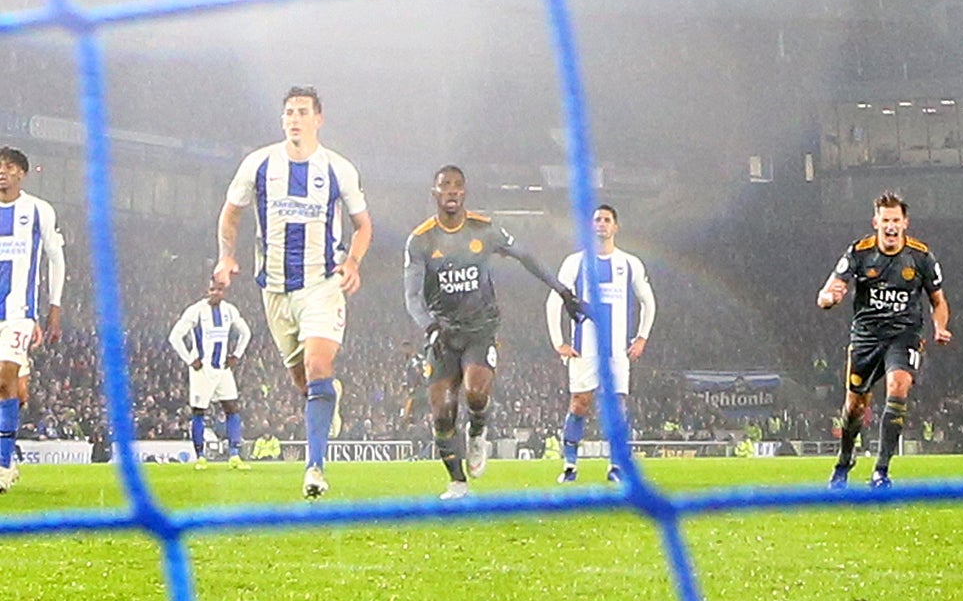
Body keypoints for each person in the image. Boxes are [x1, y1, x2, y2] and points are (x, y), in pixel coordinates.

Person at [214, 87, 372, 500]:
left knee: (320, 366)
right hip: (275, 291)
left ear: (318, 119)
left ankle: (315, 468)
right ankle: (326, 399)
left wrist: (352, 262)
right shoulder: (259, 164)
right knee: (304, 382)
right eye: (289, 112)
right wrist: (225, 257)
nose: (294, 118)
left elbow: (363, 225)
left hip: (322, 285)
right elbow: (231, 213)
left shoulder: (338, 169)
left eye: (303, 112)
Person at [405, 166, 582, 500]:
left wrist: (561, 290)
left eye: (458, 185)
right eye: (445, 186)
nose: (452, 191)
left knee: (474, 392)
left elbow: (526, 256)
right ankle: (457, 482)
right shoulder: (421, 240)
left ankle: (477, 430)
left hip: (480, 329)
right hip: (442, 333)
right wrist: (429, 327)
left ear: (465, 192)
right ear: (435, 193)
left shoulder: (484, 230)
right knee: (442, 413)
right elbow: (412, 296)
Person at [816, 191, 948, 490]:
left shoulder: (921, 257)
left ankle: (881, 471)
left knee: (898, 387)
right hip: (866, 336)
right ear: (876, 221)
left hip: (904, 335)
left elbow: (938, 301)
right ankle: (843, 463)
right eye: (885, 220)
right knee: (855, 407)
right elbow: (829, 290)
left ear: (905, 223)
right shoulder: (859, 253)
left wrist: (940, 327)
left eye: (896, 220)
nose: (890, 226)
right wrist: (828, 298)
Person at [548, 203, 655, 483]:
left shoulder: (630, 263)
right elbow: (553, 300)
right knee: (580, 403)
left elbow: (648, 301)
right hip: (585, 348)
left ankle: (616, 466)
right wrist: (559, 341)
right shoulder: (575, 262)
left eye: (606, 220)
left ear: (615, 227)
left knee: (617, 405)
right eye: (597, 220)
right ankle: (570, 465)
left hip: (618, 349)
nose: (601, 224)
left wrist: (642, 336)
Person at [0, 147, 65, 495]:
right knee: (15, 390)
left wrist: (54, 307)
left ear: (22, 173)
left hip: (19, 315)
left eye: (9, 167)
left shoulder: (38, 210)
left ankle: (2, 464)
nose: (2, 172)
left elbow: (56, 258)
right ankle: (8, 457)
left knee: (5, 378)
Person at [169, 278, 253, 468]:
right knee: (199, 411)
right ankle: (200, 457)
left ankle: (234, 455)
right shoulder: (195, 311)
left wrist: (236, 355)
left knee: (232, 407)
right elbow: (175, 336)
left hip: (222, 369)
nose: (216, 293)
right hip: (202, 370)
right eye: (212, 289)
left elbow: (246, 333)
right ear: (206, 291)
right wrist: (190, 359)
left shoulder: (229, 310)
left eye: (219, 290)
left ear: (224, 292)